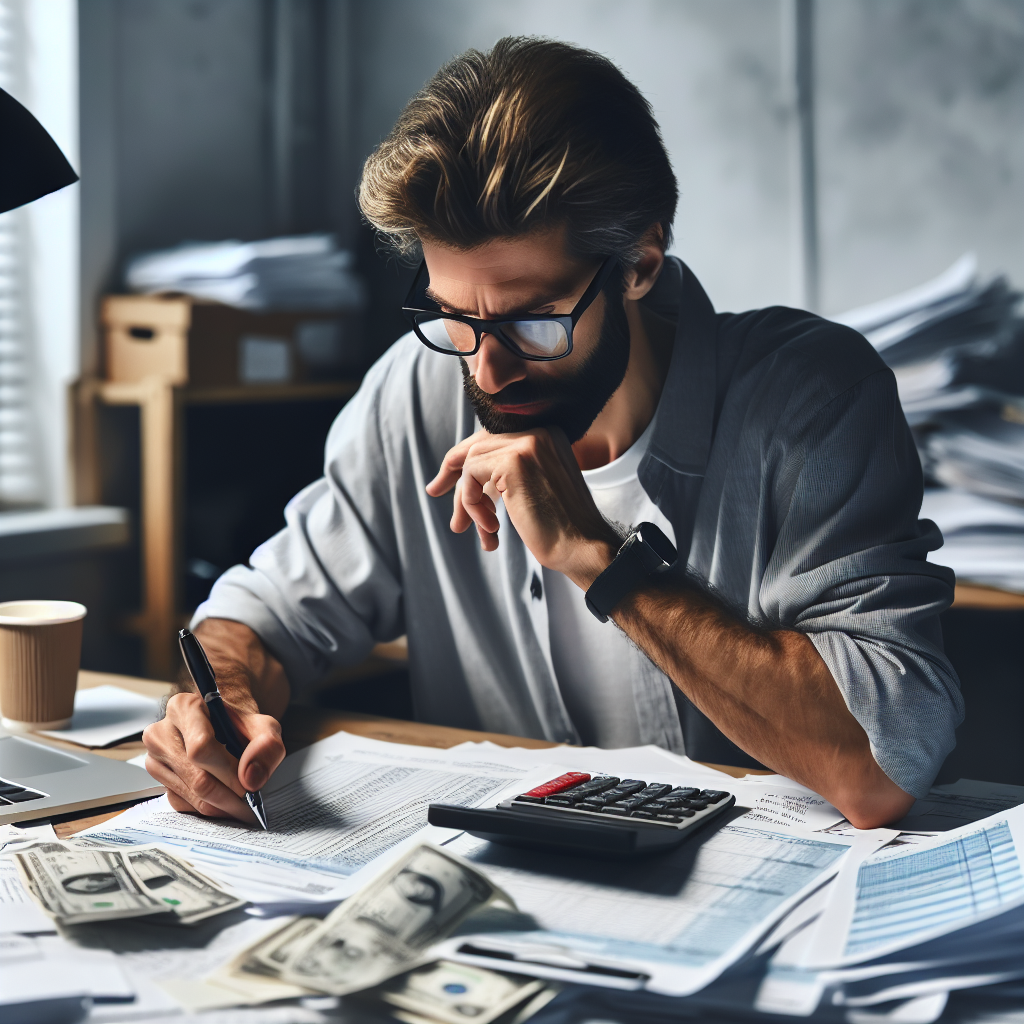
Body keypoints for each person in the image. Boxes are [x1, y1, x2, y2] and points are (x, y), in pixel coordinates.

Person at [143, 37, 962, 830]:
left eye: (535, 321)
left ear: (640, 263)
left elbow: (881, 771)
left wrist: (599, 558)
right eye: (455, 316)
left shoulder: (808, 394)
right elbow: (260, 620)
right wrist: (223, 705)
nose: (488, 372)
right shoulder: (418, 387)